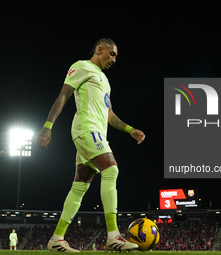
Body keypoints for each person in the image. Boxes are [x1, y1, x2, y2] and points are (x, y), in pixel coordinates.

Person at [36, 37, 145, 252]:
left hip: (98, 133)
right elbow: (63, 96)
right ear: (99, 49)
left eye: (116, 56)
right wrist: (47, 126)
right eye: (111, 54)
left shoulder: (104, 81)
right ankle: (113, 236)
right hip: (86, 129)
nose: (114, 59)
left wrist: (129, 129)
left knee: (79, 186)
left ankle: (56, 239)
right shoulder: (82, 66)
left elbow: (109, 115)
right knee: (111, 169)